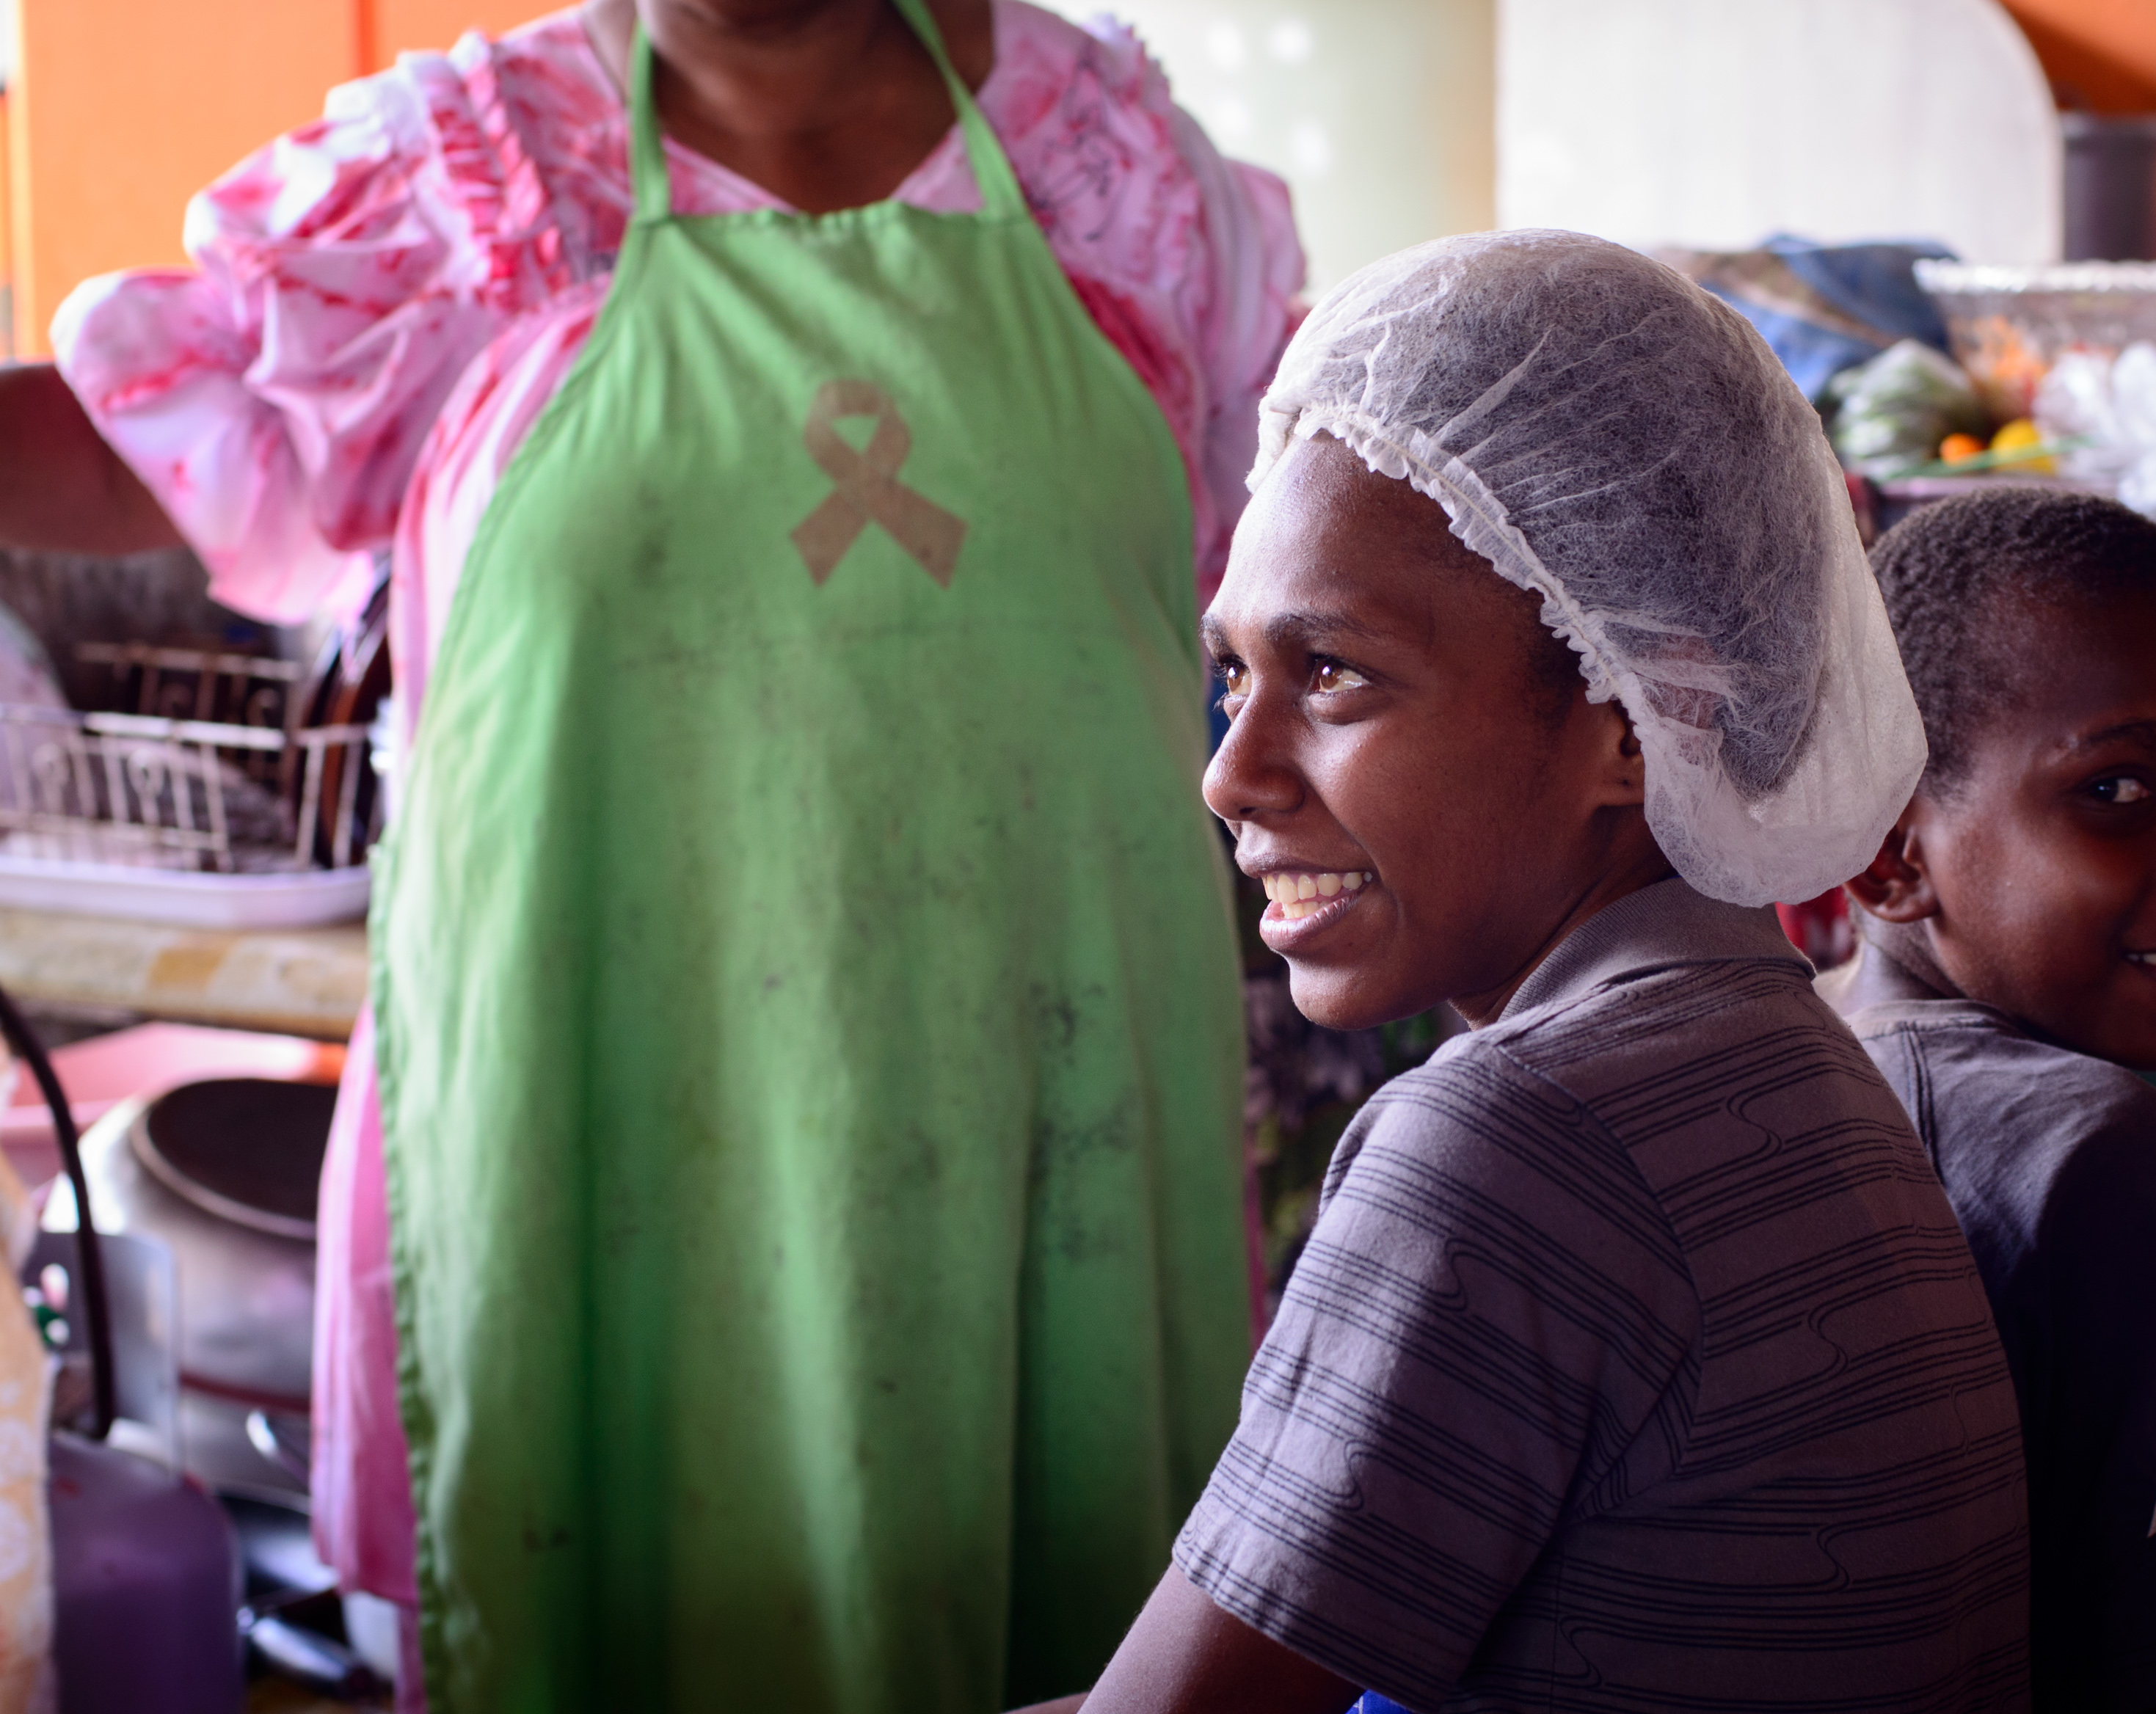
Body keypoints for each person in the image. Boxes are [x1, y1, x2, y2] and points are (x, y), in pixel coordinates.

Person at [4, 0, 1303, 1707]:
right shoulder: (463, 178)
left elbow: (1255, 566)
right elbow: (157, 429)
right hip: (601, 1138)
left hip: (1055, 1152)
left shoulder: (1115, 167)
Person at [1027, 230, 2034, 1713]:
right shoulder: (1784, 1057)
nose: (1230, 774)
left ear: (1634, 719)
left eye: (1336, 672)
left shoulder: (1511, 1144)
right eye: (1234, 675)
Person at [1827, 488, 2156, 1712]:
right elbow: (2131, 1684)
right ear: (1890, 854)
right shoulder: (2107, 1163)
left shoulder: (1764, 1044)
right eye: (2121, 791)